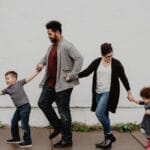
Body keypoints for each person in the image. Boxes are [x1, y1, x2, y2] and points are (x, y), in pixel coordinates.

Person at [36, 20, 83, 148]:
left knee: (63, 112)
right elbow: (46, 57)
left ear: (57, 32)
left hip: (63, 85)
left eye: (50, 34)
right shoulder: (51, 46)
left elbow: (79, 58)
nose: (48, 36)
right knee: (42, 103)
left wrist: (72, 74)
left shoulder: (67, 45)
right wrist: (41, 63)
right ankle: (57, 126)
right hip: (50, 83)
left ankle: (67, 140)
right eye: (48, 33)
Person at [78, 43, 134, 148]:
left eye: (110, 56)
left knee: (99, 113)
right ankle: (107, 141)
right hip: (97, 93)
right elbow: (87, 72)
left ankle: (110, 134)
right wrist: (74, 76)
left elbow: (123, 78)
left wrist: (129, 92)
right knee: (105, 115)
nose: (109, 58)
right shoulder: (97, 62)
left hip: (109, 92)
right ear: (102, 54)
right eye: (107, 56)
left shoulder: (116, 64)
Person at [0, 70, 40, 148]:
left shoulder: (19, 83)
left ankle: (28, 141)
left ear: (14, 79)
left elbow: (29, 78)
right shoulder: (7, 89)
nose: (6, 81)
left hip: (25, 106)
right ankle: (16, 138)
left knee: (24, 124)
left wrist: (37, 71)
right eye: (5, 79)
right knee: (14, 121)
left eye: (8, 78)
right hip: (19, 108)